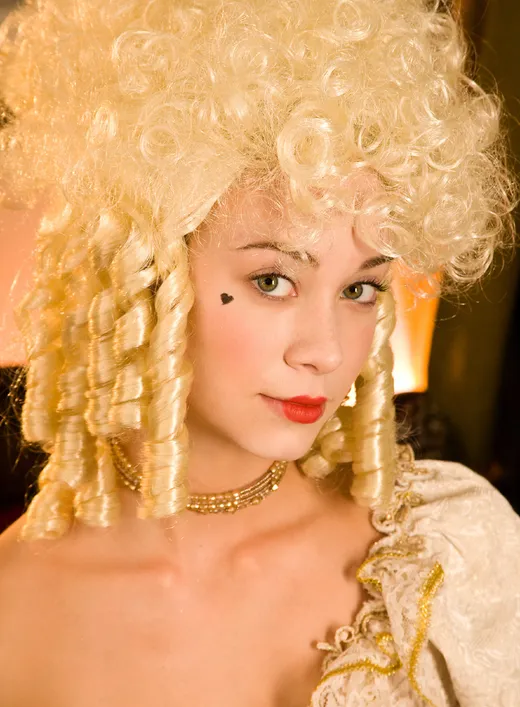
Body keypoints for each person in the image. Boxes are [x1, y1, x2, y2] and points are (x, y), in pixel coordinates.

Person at [0, 0, 518, 705]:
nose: (324, 351)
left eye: (360, 289)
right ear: (144, 273)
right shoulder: (17, 615)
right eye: (273, 280)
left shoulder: (452, 556)